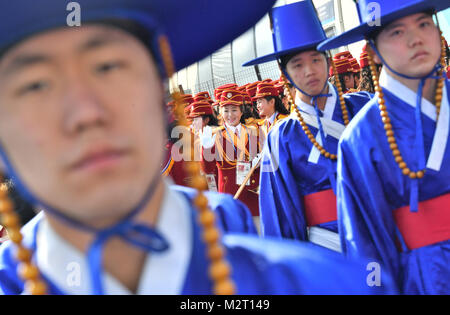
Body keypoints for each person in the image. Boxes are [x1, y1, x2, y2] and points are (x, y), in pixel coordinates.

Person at [0, 0, 395, 295]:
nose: (85, 112)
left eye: (108, 67)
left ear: (161, 95)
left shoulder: (324, 285)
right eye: (35, 85)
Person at [318, 0, 449, 294]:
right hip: (419, 276)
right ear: (374, 51)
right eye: (398, 32)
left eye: (424, 24)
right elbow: (365, 244)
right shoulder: (361, 138)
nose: (416, 38)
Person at [242, 0, 371, 251]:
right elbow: (279, 217)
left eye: (315, 59)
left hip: (377, 237)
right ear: (285, 73)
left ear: (329, 60)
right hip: (323, 249)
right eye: (297, 65)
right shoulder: (281, 136)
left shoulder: (364, 107)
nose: (309, 71)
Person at [200, 89, 261, 220]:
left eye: (234, 110)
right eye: (226, 111)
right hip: (229, 196)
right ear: (220, 113)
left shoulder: (254, 132)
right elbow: (208, 170)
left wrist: (260, 164)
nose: (230, 115)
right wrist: (206, 149)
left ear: (241, 111)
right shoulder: (214, 135)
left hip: (252, 195)